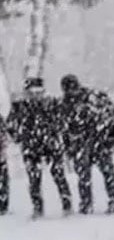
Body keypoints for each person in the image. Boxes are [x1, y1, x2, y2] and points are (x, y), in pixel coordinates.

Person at [6, 78, 72, 218]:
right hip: (31, 147)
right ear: (26, 92)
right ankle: (37, 208)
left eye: (39, 91)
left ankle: (67, 205)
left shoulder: (52, 103)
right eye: (32, 92)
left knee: (59, 175)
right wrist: (19, 137)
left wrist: (58, 134)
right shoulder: (19, 106)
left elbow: (63, 122)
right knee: (34, 180)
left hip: (51, 145)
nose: (35, 95)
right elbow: (10, 125)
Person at [59, 75, 114, 214]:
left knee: (106, 173)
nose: (71, 93)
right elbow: (64, 128)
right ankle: (87, 204)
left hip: (98, 142)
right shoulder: (65, 105)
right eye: (68, 90)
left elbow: (111, 118)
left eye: (72, 89)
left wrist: (109, 140)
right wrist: (69, 147)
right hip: (82, 145)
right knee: (85, 177)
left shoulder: (94, 98)